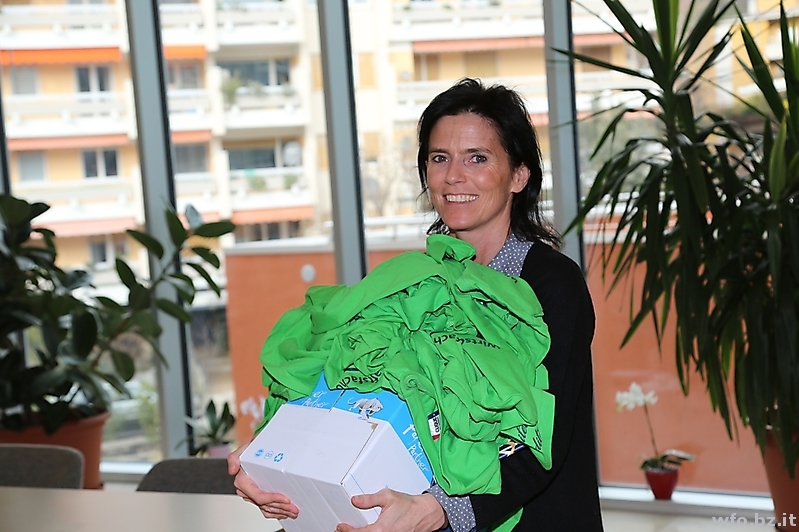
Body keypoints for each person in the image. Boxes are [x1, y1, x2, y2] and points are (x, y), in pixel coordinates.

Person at [228, 77, 603, 531]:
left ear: (519, 176)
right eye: (439, 158)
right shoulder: (412, 280)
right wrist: (273, 453)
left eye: (478, 158)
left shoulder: (552, 284)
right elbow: (354, 388)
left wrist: (438, 509)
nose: (453, 176)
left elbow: (541, 439)